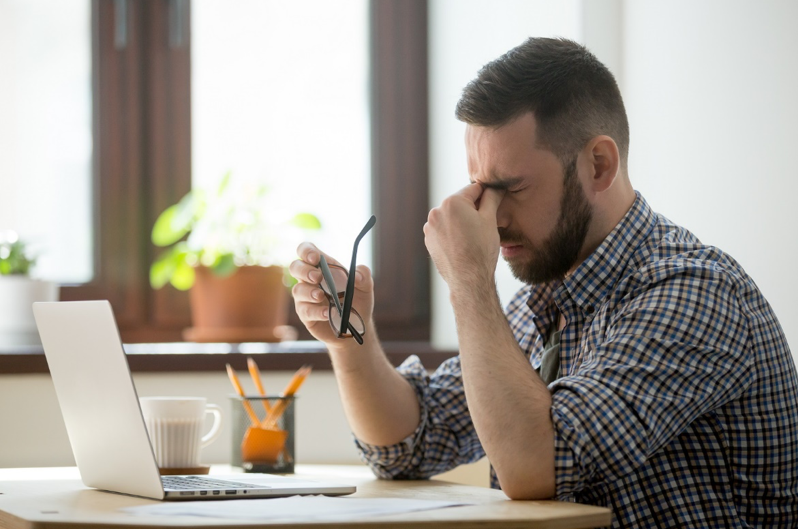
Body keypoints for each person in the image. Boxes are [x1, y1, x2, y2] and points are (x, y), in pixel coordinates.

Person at [289, 37, 798, 528]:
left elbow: (540, 466)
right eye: (480, 189)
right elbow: (408, 444)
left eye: (511, 188)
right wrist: (348, 337)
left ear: (598, 165)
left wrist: (469, 279)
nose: (490, 216)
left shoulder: (693, 293)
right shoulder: (546, 299)